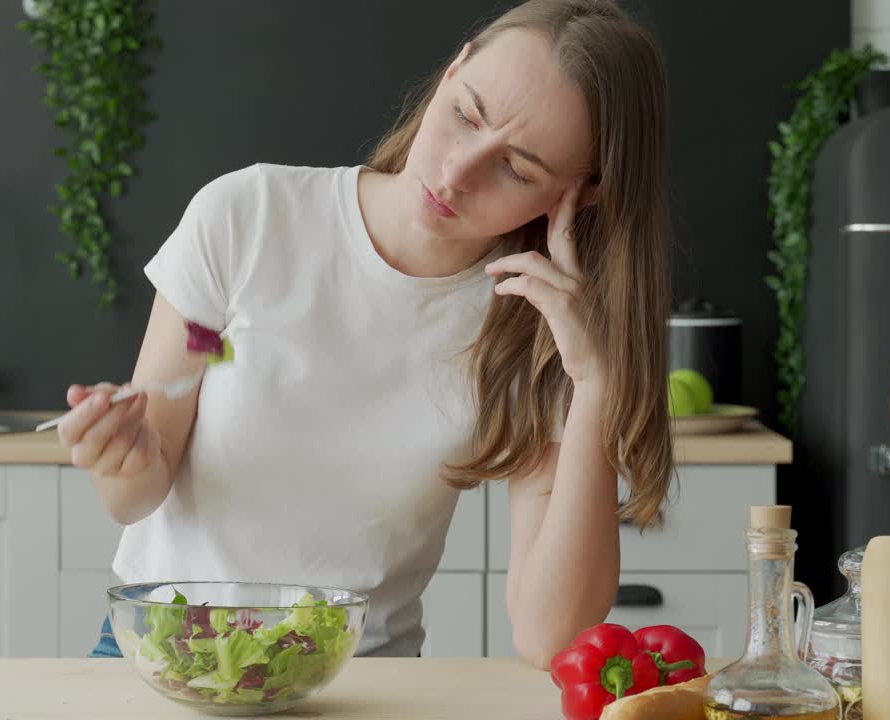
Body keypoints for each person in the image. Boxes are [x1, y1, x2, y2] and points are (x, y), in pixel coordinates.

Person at [57, 0, 673, 668]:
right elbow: (134, 497)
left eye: (517, 168)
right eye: (467, 114)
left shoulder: (532, 330)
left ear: (580, 195)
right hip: (160, 661)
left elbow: (548, 636)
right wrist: (122, 456)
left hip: (354, 687)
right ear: (453, 69)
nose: (458, 172)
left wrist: (597, 382)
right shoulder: (247, 218)